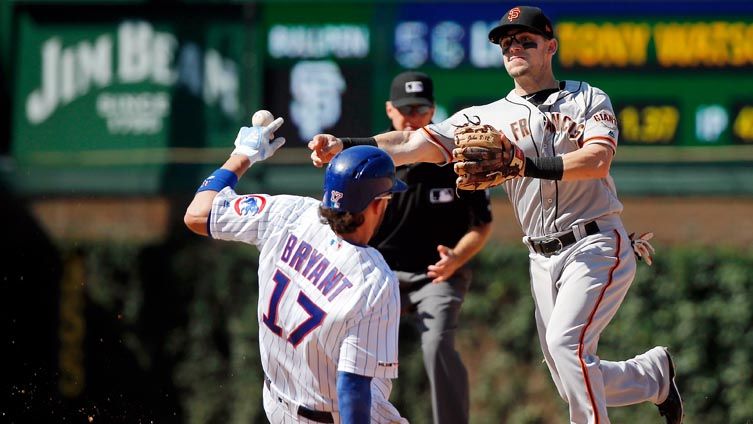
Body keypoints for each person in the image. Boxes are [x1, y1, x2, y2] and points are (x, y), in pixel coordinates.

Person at [308, 6, 683, 424]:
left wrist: (525, 165)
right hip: (540, 255)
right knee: (569, 374)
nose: (515, 47)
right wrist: (347, 144)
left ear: (550, 47)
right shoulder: (487, 116)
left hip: (595, 242)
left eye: (526, 40)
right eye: (507, 43)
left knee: (566, 348)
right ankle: (652, 376)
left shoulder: (588, 97)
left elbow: (598, 160)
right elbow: (412, 143)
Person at [184, 115, 409, 423]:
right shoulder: (374, 280)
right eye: (387, 197)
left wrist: (242, 155)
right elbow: (353, 388)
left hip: (278, 405)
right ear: (376, 204)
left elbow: (197, 215)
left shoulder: (288, 213)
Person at [368, 71, 492, 424]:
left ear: (434, 109)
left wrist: (456, 259)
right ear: (390, 110)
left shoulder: (457, 158)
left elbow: (481, 226)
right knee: (348, 337)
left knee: (437, 344)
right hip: (378, 274)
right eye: (405, 109)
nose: (412, 117)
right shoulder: (373, 161)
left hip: (436, 276)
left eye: (420, 109)